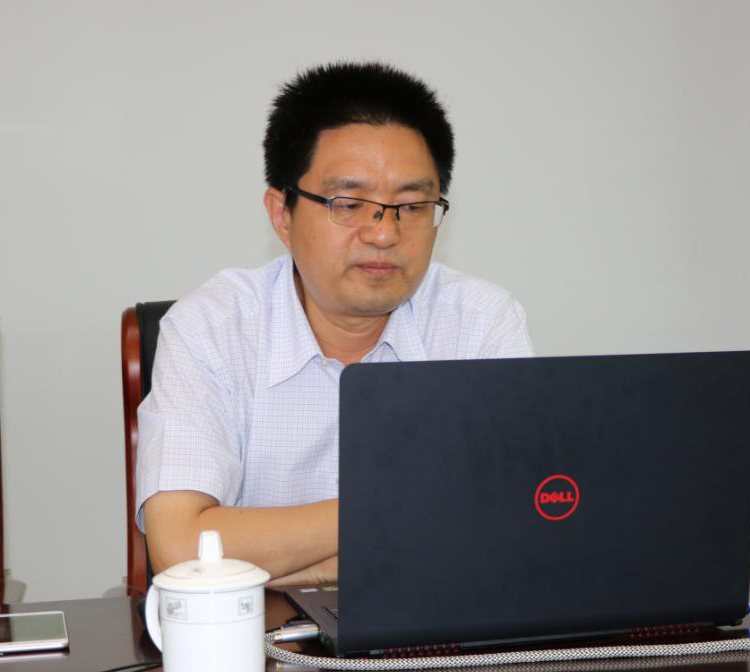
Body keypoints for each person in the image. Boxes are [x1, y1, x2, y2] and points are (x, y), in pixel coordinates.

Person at [137, 62, 532, 584]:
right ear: (282, 214)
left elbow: (510, 531)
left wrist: (269, 560)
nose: (384, 234)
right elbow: (182, 549)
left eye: (412, 206)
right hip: (262, 636)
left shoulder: (480, 324)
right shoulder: (210, 328)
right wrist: (405, 515)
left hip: (432, 631)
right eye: (349, 204)